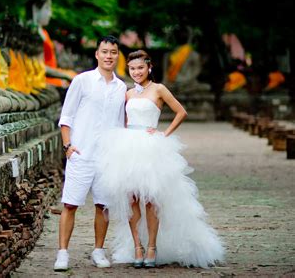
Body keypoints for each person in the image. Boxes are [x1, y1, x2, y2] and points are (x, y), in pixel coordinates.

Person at [95, 50, 224, 268]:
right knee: (131, 199)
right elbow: (124, 120)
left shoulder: (159, 89)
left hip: (151, 145)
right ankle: (137, 246)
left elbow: (181, 112)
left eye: (140, 68)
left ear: (149, 68)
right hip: (128, 147)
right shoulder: (127, 93)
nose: (136, 72)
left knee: (151, 199)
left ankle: (152, 247)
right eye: (132, 68)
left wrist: (164, 133)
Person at [54, 35, 127, 271]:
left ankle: (98, 250)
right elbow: (67, 116)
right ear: (97, 54)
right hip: (81, 153)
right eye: (104, 51)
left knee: (103, 206)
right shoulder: (82, 81)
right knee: (70, 204)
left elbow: (120, 124)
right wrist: (68, 146)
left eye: (113, 52)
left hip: (106, 157)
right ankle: (63, 253)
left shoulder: (121, 87)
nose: (109, 56)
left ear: (117, 55)